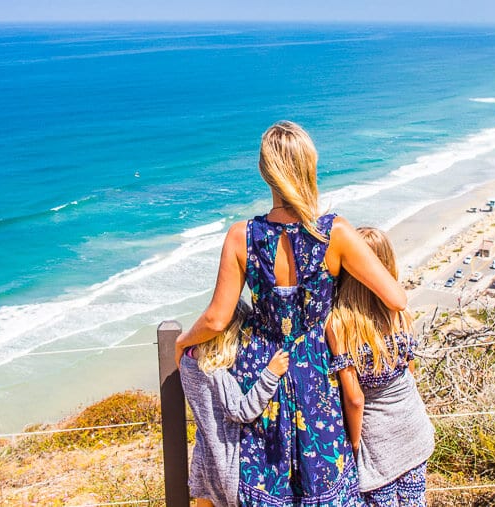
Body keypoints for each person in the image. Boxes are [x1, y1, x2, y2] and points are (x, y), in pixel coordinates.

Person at [175, 120, 406, 506]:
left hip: (260, 371)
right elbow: (395, 298)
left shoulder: (241, 235)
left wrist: (182, 342)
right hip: (316, 373)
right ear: (309, 167)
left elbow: (217, 319)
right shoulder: (336, 232)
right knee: (323, 482)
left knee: (266, 481)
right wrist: (342, 314)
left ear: (266, 173)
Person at [326, 227, 435, 506]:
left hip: (376, 438)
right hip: (412, 424)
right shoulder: (399, 313)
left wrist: (352, 442)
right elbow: (409, 371)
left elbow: (355, 398)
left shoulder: (340, 324)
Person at [180, 299, 290, 507]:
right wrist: (270, 375)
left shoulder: (188, 359)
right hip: (225, 460)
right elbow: (241, 411)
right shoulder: (216, 371)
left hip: (203, 454)